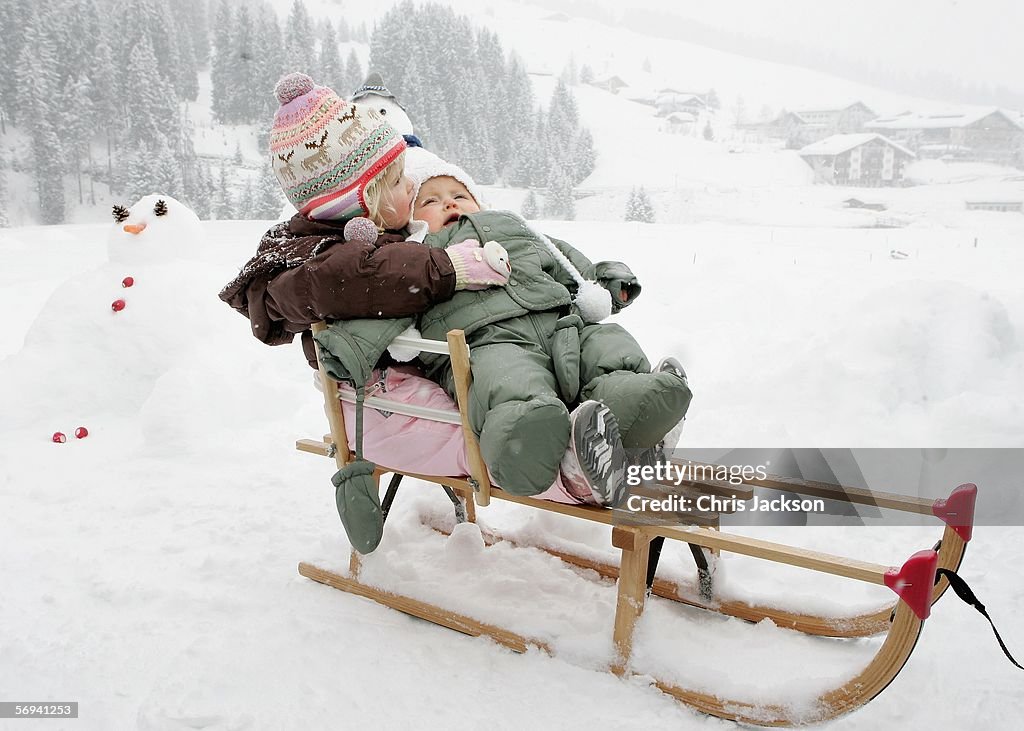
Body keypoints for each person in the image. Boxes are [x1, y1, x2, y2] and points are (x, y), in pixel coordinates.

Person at [394, 147, 692, 507]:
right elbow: (389, 300)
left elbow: (566, 262)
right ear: (412, 220)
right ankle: (527, 439)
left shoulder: (514, 229)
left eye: (459, 195)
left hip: (561, 324)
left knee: (605, 344)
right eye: (431, 200)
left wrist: (606, 281)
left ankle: (634, 403)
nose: (449, 204)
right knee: (511, 384)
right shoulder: (420, 256)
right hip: (488, 341)